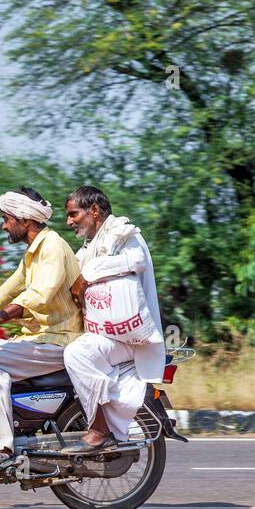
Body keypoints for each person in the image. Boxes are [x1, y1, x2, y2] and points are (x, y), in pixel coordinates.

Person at [0, 187, 83, 479]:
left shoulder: (51, 246)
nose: (4, 225)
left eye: (6, 218)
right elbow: (5, 291)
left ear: (25, 220)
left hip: (57, 340)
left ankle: (0, 449)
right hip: (37, 338)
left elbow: (40, 294)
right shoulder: (33, 253)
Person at [60, 185, 165, 452]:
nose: (69, 221)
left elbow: (136, 260)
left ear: (94, 210)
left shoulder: (123, 234)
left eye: (74, 214)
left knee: (77, 354)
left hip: (131, 337)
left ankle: (99, 430)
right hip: (106, 334)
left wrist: (87, 275)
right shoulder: (90, 247)